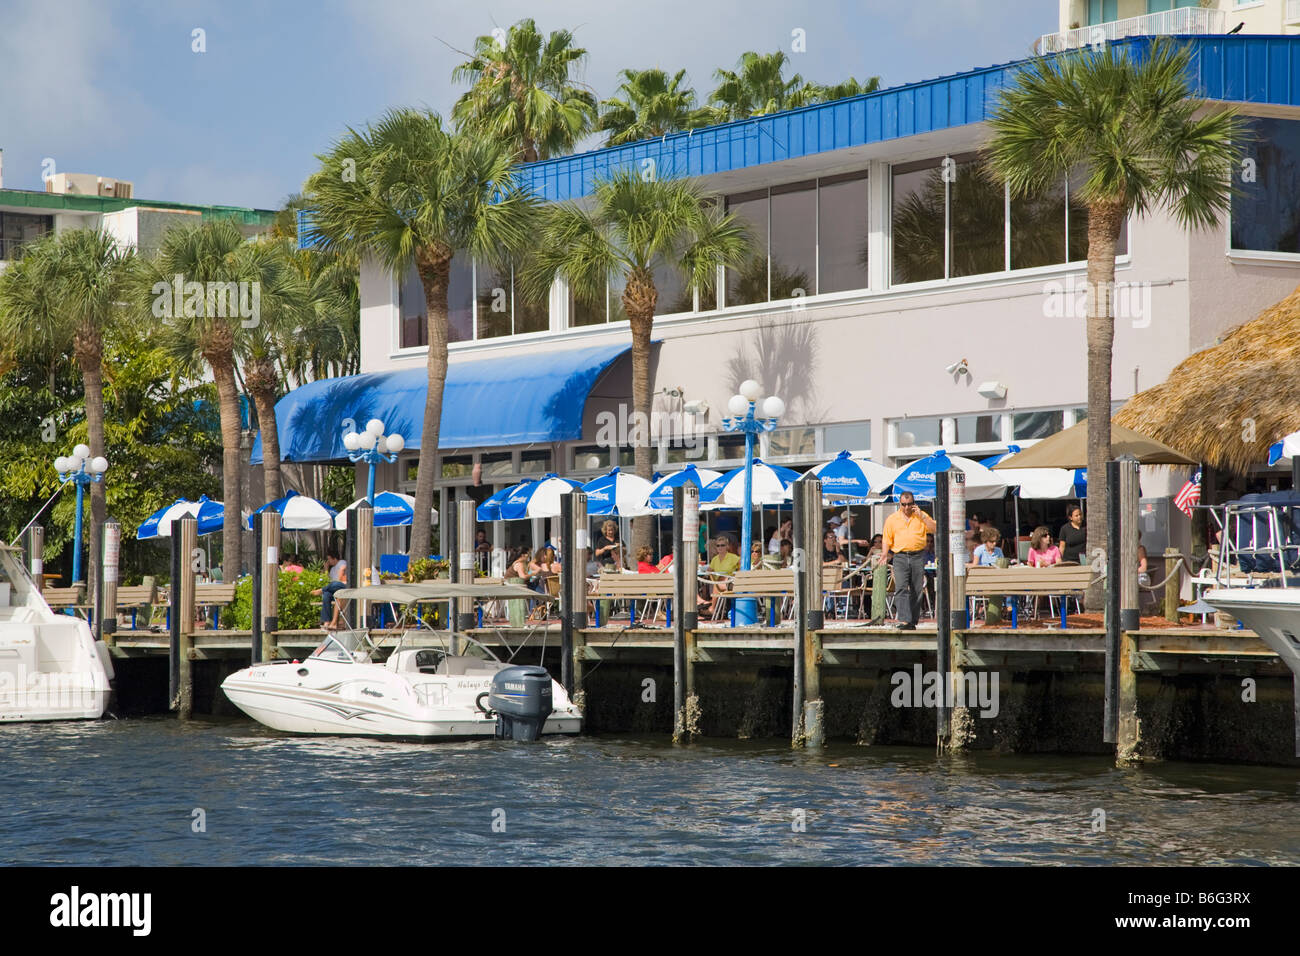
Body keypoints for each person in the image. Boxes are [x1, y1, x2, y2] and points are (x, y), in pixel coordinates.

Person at [881, 492, 937, 630]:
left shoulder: (920, 516)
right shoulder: (892, 519)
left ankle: (912, 620)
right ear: (900, 504)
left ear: (914, 504)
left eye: (909, 504)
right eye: (903, 504)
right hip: (899, 556)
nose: (906, 507)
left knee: (917, 589)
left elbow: (935, 529)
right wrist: (884, 554)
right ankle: (905, 620)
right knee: (901, 587)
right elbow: (886, 538)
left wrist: (922, 515)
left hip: (918, 555)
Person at [310, 551, 348, 630]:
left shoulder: (341, 562)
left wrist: (337, 578)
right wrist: (326, 569)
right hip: (336, 589)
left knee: (335, 584)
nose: (328, 561)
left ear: (334, 558)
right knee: (326, 594)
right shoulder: (332, 569)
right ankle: (326, 621)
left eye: (329, 559)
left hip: (345, 586)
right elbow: (327, 580)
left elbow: (341, 577)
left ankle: (321, 590)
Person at [706, 534, 740, 616]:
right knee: (708, 584)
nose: (720, 547)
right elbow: (709, 570)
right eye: (718, 546)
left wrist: (737, 574)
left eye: (722, 545)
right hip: (719, 583)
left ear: (727, 546)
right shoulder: (715, 559)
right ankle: (706, 604)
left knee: (717, 583)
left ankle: (712, 608)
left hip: (730, 583)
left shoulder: (732, 557)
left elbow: (742, 564)